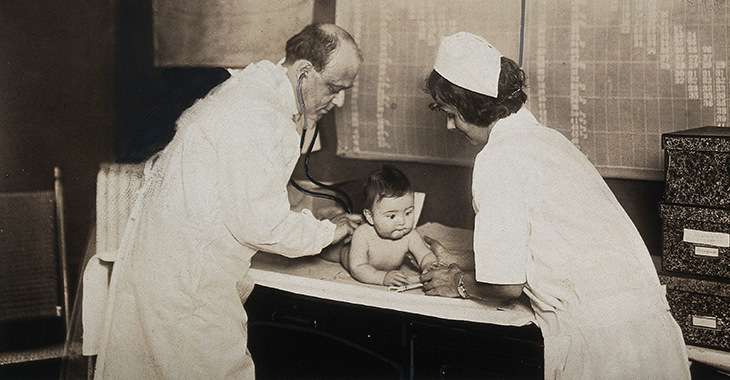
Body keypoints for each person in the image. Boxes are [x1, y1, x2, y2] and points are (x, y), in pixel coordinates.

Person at [90, 23, 365, 379]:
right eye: (334, 87)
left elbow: (242, 191)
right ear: (303, 72)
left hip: (169, 275)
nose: (339, 100)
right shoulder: (263, 117)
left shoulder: (249, 91)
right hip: (189, 290)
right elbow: (263, 226)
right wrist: (329, 232)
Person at [419, 32, 691, 379]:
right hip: (651, 331)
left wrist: (457, 282)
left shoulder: (498, 158)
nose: (450, 125)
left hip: (602, 346)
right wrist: (463, 260)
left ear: (473, 106)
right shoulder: (549, 140)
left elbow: (505, 286)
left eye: (452, 114)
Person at [340, 165, 442, 286]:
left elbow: (425, 254)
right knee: (330, 250)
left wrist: (428, 265)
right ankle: (334, 215)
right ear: (370, 217)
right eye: (392, 216)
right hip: (345, 250)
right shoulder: (363, 234)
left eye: (408, 213)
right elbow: (357, 268)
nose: (402, 221)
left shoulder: (409, 235)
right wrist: (382, 277)